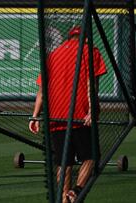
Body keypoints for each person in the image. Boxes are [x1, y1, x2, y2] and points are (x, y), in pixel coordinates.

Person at [29, 26, 107, 203]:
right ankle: (76, 191)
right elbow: (91, 85)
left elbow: (42, 91)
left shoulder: (52, 55)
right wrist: (92, 111)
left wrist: (35, 115)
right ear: (85, 38)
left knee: (64, 161)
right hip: (80, 115)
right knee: (92, 157)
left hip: (55, 115)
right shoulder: (90, 51)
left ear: (69, 37)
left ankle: (64, 198)